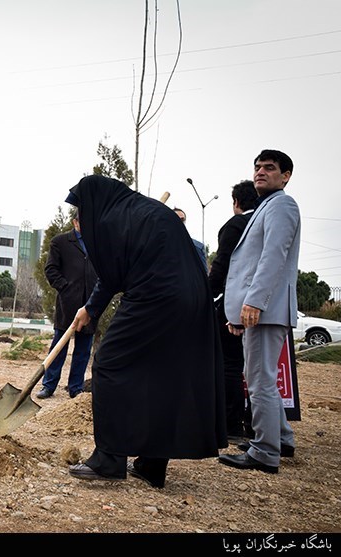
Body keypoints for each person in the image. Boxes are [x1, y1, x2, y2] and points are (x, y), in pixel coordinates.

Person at [65, 175, 226, 489]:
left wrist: (90, 308)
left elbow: (111, 277)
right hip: (195, 298)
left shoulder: (112, 219)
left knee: (109, 362)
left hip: (158, 296)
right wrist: (90, 308)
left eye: (82, 210)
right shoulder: (143, 210)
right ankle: (152, 464)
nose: (82, 218)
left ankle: (109, 458)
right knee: (163, 373)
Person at [218, 150, 299, 474]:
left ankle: (265, 452)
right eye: (257, 168)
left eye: (269, 168)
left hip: (266, 308)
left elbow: (272, 257)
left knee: (259, 380)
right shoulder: (267, 206)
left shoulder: (282, 205)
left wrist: (254, 303)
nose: (260, 172)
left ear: (286, 175)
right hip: (263, 307)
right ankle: (281, 438)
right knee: (262, 376)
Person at [208, 180, 258, 442]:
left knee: (230, 365)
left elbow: (223, 265)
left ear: (236, 202)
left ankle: (231, 425)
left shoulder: (236, 225)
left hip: (236, 306)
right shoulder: (264, 223)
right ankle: (258, 428)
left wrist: (206, 292)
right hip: (265, 306)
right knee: (258, 371)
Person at [37, 208, 98, 399]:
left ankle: (75, 389)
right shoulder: (60, 242)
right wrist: (66, 288)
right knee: (59, 346)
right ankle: (48, 385)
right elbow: (51, 269)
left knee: (83, 350)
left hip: (91, 303)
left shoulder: (99, 244)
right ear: (75, 223)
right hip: (68, 303)